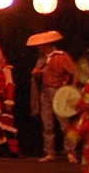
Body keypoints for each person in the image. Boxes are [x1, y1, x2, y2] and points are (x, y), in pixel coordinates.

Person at [27, 30, 77, 162]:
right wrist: (37, 75)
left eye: (41, 45)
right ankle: (50, 151)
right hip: (45, 91)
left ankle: (70, 150)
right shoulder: (42, 59)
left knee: (64, 123)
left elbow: (75, 72)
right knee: (47, 123)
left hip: (58, 90)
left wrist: (69, 88)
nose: (39, 48)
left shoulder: (61, 56)